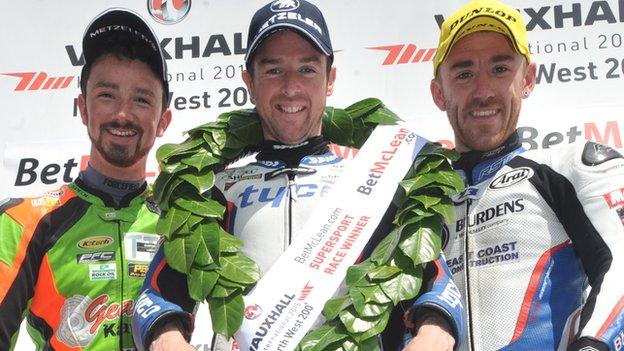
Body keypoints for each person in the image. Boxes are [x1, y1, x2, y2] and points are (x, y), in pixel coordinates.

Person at [132, 1, 464, 351]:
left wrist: (433, 334)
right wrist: (166, 339)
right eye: (274, 70)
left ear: (330, 78)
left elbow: (435, 286)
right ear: (249, 81)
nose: (291, 88)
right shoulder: (216, 190)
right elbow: (156, 297)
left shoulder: (373, 181)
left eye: (306, 69)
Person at [406, 0, 624, 350]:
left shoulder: (569, 166)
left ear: (528, 78)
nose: (483, 91)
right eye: (464, 74)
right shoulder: (417, 200)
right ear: (438, 93)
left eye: (500, 68)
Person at [0, 8, 172, 350]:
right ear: (83, 107)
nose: (122, 114)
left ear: (163, 120)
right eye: (107, 95)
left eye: (141, 99)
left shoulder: (180, 218)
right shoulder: (23, 222)